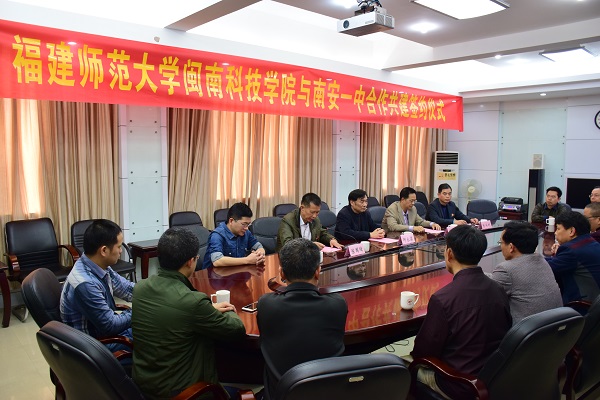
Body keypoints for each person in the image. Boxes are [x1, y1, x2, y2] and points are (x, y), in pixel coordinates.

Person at [132, 228, 246, 399]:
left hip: (145, 386)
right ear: (190, 262)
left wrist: (207, 309)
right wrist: (229, 309)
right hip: (184, 393)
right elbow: (237, 330)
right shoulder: (193, 302)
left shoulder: (140, 288)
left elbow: (175, 312)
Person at [410, 225, 511, 399]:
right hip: (494, 376)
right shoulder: (498, 289)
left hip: (459, 383)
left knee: (406, 369)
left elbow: (424, 352)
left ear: (449, 253)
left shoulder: (443, 298)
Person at [258, 238, 348, 399]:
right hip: (326, 394)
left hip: (281, 395)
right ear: (317, 272)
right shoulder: (337, 305)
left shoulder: (266, 305)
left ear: (282, 273)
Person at [60, 219, 134, 350]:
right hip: (94, 346)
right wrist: (141, 310)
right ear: (104, 250)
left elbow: (126, 288)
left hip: (101, 332)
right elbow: (110, 325)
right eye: (119, 247)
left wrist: (154, 291)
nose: (121, 251)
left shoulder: (97, 265)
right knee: (154, 333)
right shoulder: (85, 284)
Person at [490, 221, 562, 324]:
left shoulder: (506, 269)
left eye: (501, 242)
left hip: (525, 331)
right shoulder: (543, 261)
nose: (501, 246)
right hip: (552, 328)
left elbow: (487, 298)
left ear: (511, 247)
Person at [546, 211, 600, 304]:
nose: (555, 233)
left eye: (558, 229)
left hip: (581, 306)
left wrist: (531, 259)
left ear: (572, 231)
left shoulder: (572, 250)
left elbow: (546, 269)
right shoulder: (591, 242)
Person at [202, 202, 266, 270]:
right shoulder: (217, 235)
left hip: (236, 272)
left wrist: (259, 255)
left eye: (248, 224)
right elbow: (217, 260)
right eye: (244, 224)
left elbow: (258, 246)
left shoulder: (245, 232)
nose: (246, 228)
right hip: (213, 275)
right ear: (231, 221)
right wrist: (248, 260)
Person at [276, 193, 342, 251]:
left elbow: (321, 233)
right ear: (302, 208)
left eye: (317, 212)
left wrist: (331, 239)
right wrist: (310, 245)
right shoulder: (288, 221)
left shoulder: (315, 220)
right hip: (289, 257)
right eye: (312, 212)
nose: (314, 216)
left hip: (310, 256)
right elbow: (288, 244)